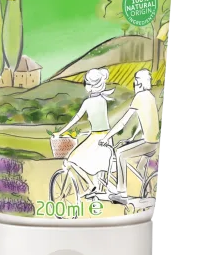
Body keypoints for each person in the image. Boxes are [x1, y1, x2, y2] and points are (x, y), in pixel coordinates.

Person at [99, 69, 159, 204]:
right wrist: (133, 138)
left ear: (139, 83)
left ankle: (121, 193)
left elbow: (123, 122)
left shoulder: (140, 97)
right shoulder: (150, 96)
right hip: (154, 142)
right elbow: (147, 121)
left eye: (135, 82)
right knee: (139, 168)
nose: (134, 85)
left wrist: (107, 137)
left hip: (148, 143)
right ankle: (147, 188)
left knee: (120, 153)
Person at [54, 68, 115, 196]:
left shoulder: (88, 102)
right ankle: (97, 189)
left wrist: (60, 133)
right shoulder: (103, 100)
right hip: (106, 136)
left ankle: (90, 185)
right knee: (98, 165)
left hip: (96, 137)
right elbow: (100, 122)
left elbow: (76, 119)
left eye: (86, 83)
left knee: (71, 160)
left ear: (91, 86)